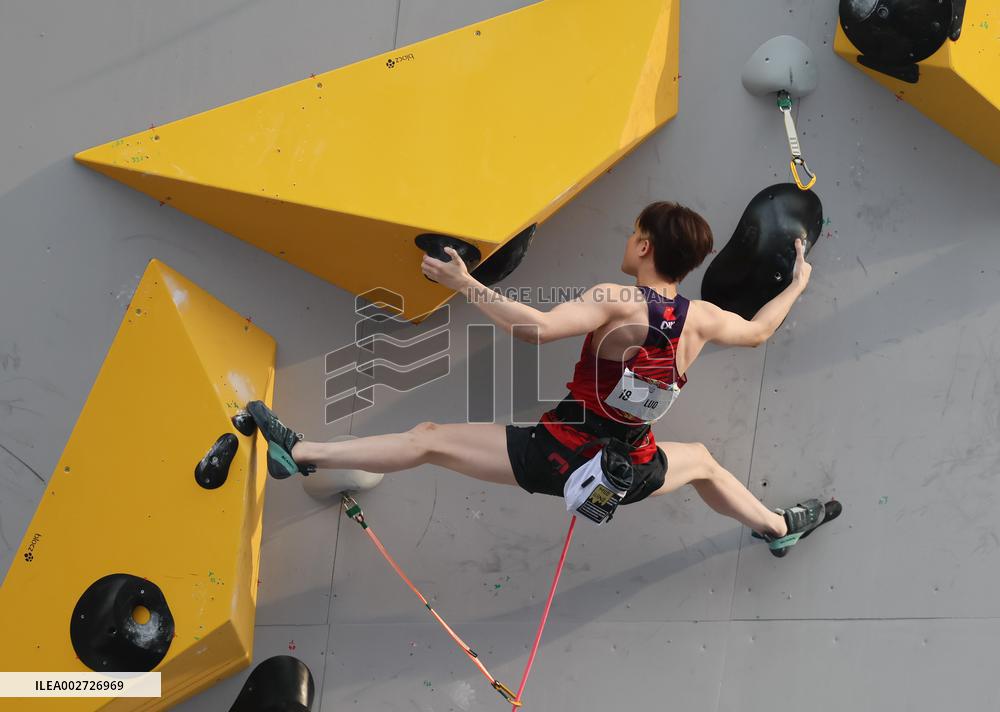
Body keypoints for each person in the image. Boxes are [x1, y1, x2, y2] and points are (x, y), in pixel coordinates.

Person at [248, 201, 835, 555]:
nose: (626, 241)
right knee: (703, 460)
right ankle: (778, 527)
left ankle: (302, 451)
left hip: (559, 455)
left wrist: (466, 286)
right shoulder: (702, 320)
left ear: (645, 245)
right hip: (629, 470)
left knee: (427, 438)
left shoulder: (617, 301)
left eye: (633, 233)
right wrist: (798, 284)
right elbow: (759, 331)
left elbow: (535, 329)